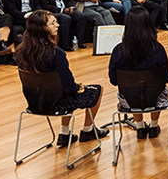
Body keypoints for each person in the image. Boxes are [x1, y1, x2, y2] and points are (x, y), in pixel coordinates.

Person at [16, 10, 107, 147]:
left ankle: (65, 134)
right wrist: (79, 87)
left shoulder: (21, 50)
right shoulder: (56, 53)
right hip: (57, 103)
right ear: (42, 27)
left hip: (35, 101)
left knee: (61, 91)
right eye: (53, 23)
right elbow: (69, 86)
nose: (57, 25)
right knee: (96, 90)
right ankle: (88, 130)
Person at [108, 6, 168, 138]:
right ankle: (154, 126)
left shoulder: (118, 51)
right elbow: (166, 78)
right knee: (157, 90)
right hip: (155, 98)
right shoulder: (158, 49)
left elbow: (114, 80)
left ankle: (140, 127)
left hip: (129, 101)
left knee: (131, 90)